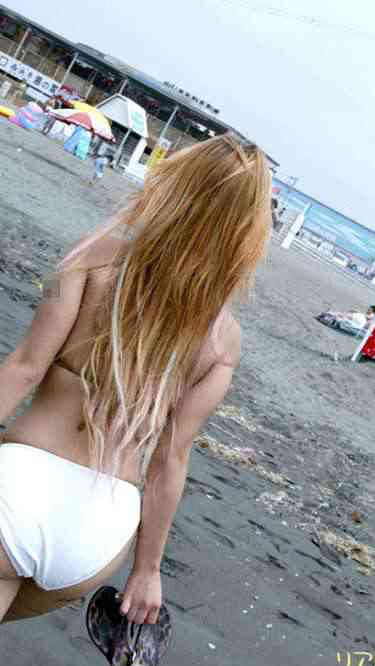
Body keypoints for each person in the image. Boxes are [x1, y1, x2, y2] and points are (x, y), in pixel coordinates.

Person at [0, 133, 271, 635]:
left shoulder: (90, 256)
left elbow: (25, 366)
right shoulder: (224, 341)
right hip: (99, 534)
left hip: (17, 486)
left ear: (172, 187)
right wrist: (148, 570)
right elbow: (171, 459)